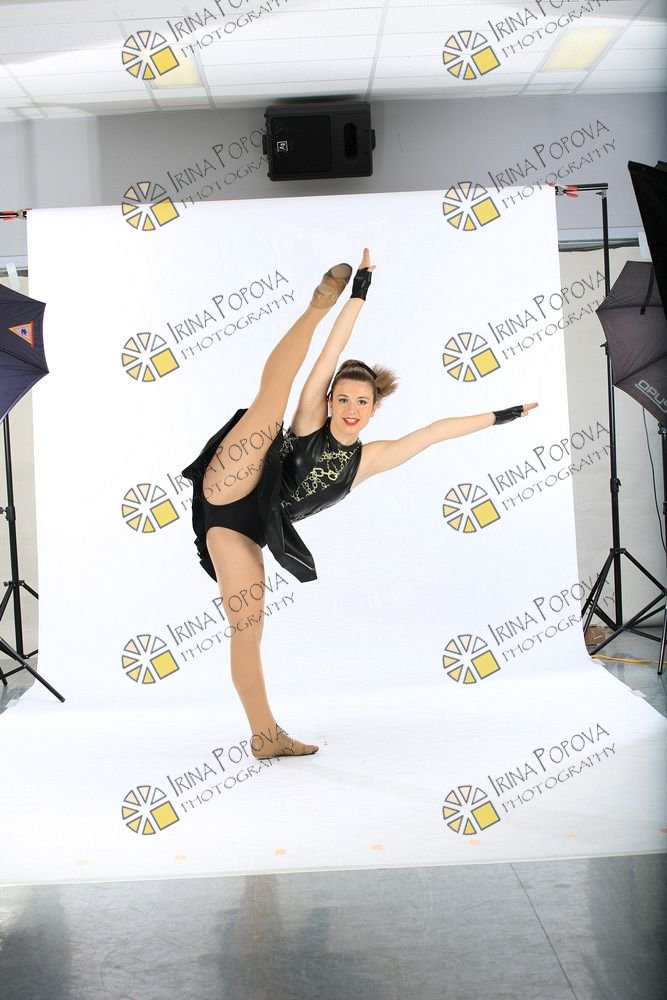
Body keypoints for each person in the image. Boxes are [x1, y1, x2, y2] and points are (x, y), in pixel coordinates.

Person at [182, 249, 537, 760]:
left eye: (361, 402)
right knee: (271, 403)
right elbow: (333, 353)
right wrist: (357, 294)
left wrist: (504, 415)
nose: (350, 409)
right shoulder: (311, 418)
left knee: (248, 628)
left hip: (241, 529)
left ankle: (265, 735)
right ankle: (314, 307)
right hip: (234, 477)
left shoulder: (369, 460)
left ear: (374, 409)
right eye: (343, 399)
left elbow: (435, 432)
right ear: (330, 402)